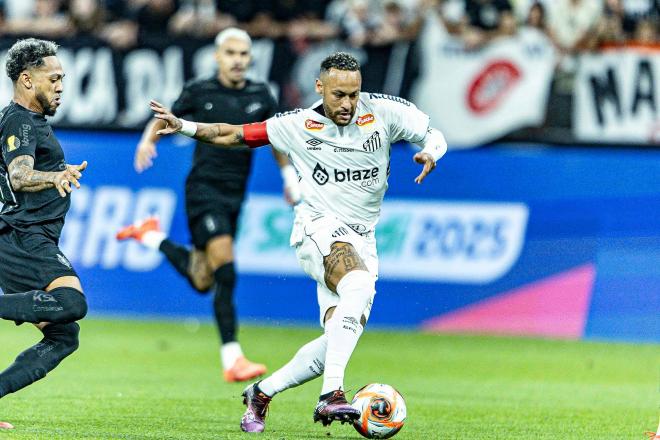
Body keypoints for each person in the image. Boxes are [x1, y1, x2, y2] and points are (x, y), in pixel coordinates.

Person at [149, 51, 447, 432]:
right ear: (319, 87)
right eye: (338, 94)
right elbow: (234, 133)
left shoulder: (383, 112)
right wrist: (186, 126)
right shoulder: (298, 124)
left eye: (354, 94)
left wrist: (431, 152)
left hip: (364, 237)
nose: (348, 104)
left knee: (339, 335)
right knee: (355, 286)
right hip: (316, 227)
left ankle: (262, 392)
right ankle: (331, 396)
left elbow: (432, 133)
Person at [116, 28, 301, 383]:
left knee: (203, 280)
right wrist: (146, 141)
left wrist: (289, 177)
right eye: (230, 53)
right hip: (204, 190)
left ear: (250, 58)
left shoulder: (261, 94)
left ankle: (150, 236)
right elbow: (166, 117)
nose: (237, 60)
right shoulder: (200, 90)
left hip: (235, 193)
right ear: (217, 56)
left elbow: (275, 136)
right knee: (226, 270)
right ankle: (233, 357)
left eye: (243, 54)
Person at [0, 38, 89, 430]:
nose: (60, 86)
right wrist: (55, 175)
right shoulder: (19, 120)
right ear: (26, 80)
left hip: (30, 238)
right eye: (53, 78)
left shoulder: (29, 123)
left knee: (64, 336)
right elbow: (19, 175)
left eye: (62, 79)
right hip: (23, 236)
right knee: (72, 304)